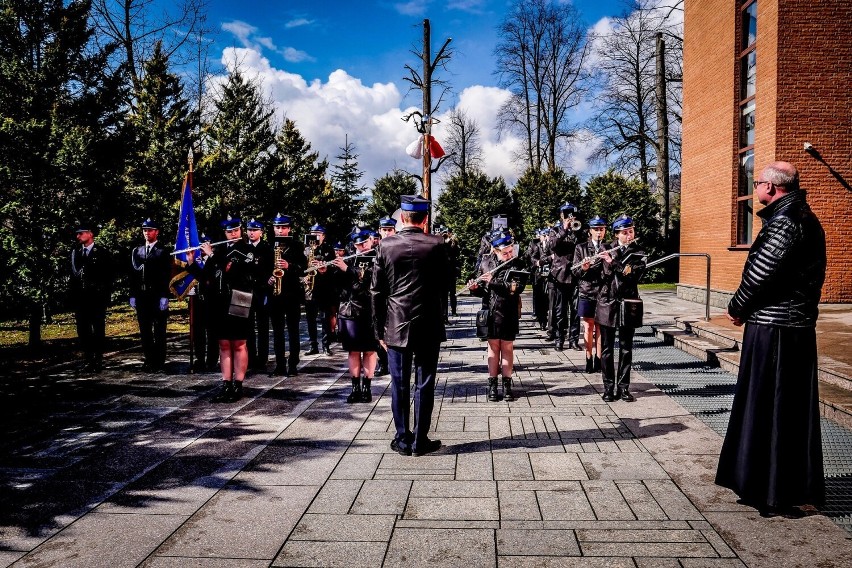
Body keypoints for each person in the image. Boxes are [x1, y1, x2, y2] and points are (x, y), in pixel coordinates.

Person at [716, 161, 826, 517]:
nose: (755, 187)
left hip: (776, 328)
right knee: (785, 409)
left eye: (758, 181)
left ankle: (771, 490)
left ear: (774, 188)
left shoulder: (786, 223)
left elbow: (762, 273)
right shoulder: (800, 217)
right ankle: (778, 486)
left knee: (769, 407)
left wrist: (736, 307)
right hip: (791, 327)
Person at [371, 194, 450, 457]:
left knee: (400, 383)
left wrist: (378, 328)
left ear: (402, 217)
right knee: (425, 383)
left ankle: (403, 438)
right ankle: (421, 440)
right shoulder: (438, 244)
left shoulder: (386, 245)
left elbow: (376, 292)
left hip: (396, 322)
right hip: (428, 321)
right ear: (425, 219)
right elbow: (445, 283)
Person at [186, 215, 256, 402]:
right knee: (224, 344)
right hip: (219, 303)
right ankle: (226, 383)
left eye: (235, 230)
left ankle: (238, 384)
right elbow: (207, 277)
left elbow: (236, 271)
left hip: (240, 299)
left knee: (239, 343)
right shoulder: (219, 251)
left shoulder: (247, 250)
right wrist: (192, 263)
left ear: (241, 231)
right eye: (229, 231)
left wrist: (212, 255)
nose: (232, 234)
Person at [468, 232, 528, 402]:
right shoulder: (485, 263)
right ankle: (493, 384)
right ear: (495, 250)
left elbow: (516, 288)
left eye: (510, 251)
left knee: (507, 347)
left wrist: (492, 281)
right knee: (493, 347)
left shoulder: (517, 264)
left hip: (508, 310)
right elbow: (482, 291)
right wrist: (474, 288)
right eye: (505, 252)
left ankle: (507, 385)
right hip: (491, 311)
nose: (509, 255)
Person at [595, 215, 646, 402]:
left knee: (626, 348)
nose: (629, 235)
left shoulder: (639, 252)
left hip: (629, 303)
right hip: (607, 302)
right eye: (625, 233)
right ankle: (608, 387)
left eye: (631, 231)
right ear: (617, 234)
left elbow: (631, 274)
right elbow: (604, 274)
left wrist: (613, 262)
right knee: (607, 349)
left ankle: (624, 387)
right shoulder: (605, 248)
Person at [334, 229, 379, 403]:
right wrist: (327, 271)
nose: (361, 247)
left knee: (369, 350)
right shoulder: (349, 258)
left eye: (364, 243)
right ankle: (355, 388)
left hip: (369, 310)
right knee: (353, 350)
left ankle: (367, 387)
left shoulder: (378, 257)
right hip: (350, 311)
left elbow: (371, 282)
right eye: (358, 244)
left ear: (371, 240)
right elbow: (338, 286)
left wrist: (348, 270)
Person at [129, 218, 172, 372]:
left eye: (150, 230)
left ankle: (159, 361)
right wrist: (132, 294)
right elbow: (133, 275)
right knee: (145, 330)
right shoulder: (137, 251)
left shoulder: (163, 251)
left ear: (157, 232)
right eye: (145, 230)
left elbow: (166, 275)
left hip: (157, 296)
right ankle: (149, 360)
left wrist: (164, 296)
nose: (147, 233)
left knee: (159, 330)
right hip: (142, 296)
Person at [69, 224, 113, 373]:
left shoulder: (101, 252)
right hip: (81, 299)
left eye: (81, 233)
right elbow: (74, 276)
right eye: (77, 234)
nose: (78, 236)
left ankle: (98, 359)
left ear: (90, 233)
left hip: (97, 299)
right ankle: (88, 359)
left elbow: (108, 277)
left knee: (98, 330)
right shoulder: (76, 252)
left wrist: (105, 297)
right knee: (83, 331)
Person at [267, 214, 306, 377]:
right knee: (277, 331)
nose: (280, 230)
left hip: (292, 294)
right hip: (275, 294)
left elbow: (304, 268)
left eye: (283, 227)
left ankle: (293, 364)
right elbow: (261, 268)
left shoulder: (297, 246)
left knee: (293, 330)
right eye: (277, 227)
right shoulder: (268, 246)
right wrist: (267, 279)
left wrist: (289, 265)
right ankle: (280, 365)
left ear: (289, 228)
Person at [572, 215, 608, 373]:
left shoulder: (608, 247)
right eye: (596, 230)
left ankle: (599, 359)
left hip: (602, 291)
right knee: (588, 326)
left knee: (600, 327)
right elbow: (575, 271)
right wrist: (585, 267)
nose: (599, 232)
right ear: (590, 231)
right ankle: (588, 357)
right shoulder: (581, 248)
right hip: (587, 290)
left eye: (601, 229)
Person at [548, 203, 585, 351]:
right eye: (566, 214)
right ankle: (559, 339)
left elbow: (583, 247)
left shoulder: (579, 229)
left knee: (575, 310)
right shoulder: (555, 230)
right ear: (561, 216)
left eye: (571, 214)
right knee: (560, 311)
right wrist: (564, 229)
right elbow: (552, 246)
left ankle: (574, 340)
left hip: (575, 274)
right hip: (560, 275)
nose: (570, 217)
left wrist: (575, 231)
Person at [245, 218, 273, 372]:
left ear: (261, 232)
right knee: (248, 326)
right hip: (247, 290)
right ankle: (250, 357)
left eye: (255, 230)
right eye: (249, 230)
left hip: (262, 291)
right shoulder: (243, 248)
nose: (251, 233)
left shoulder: (267, 249)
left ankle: (262, 358)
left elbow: (272, 268)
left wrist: (270, 278)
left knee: (262, 326)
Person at [189, 233, 218, 372]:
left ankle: (212, 360)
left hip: (213, 301)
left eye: (206, 244)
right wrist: (190, 262)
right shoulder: (197, 260)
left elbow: (207, 278)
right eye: (201, 244)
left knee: (212, 333)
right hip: (198, 301)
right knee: (198, 332)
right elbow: (198, 276)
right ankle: (199, 359)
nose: (203, 247)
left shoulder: (215, 259)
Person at [304, 224, 335, 356]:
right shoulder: (305, 250)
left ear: (323, 236)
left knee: (324, 318)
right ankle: (313, 345)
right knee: (310, 318)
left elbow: (334, 268)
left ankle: (326, 345)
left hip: (324, 287)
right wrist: (303, 278)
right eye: (313, 233)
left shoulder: (328, 250)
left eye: (318, 234)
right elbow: (300, 267)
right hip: (309, 287)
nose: (315, 236)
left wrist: (325, 269)